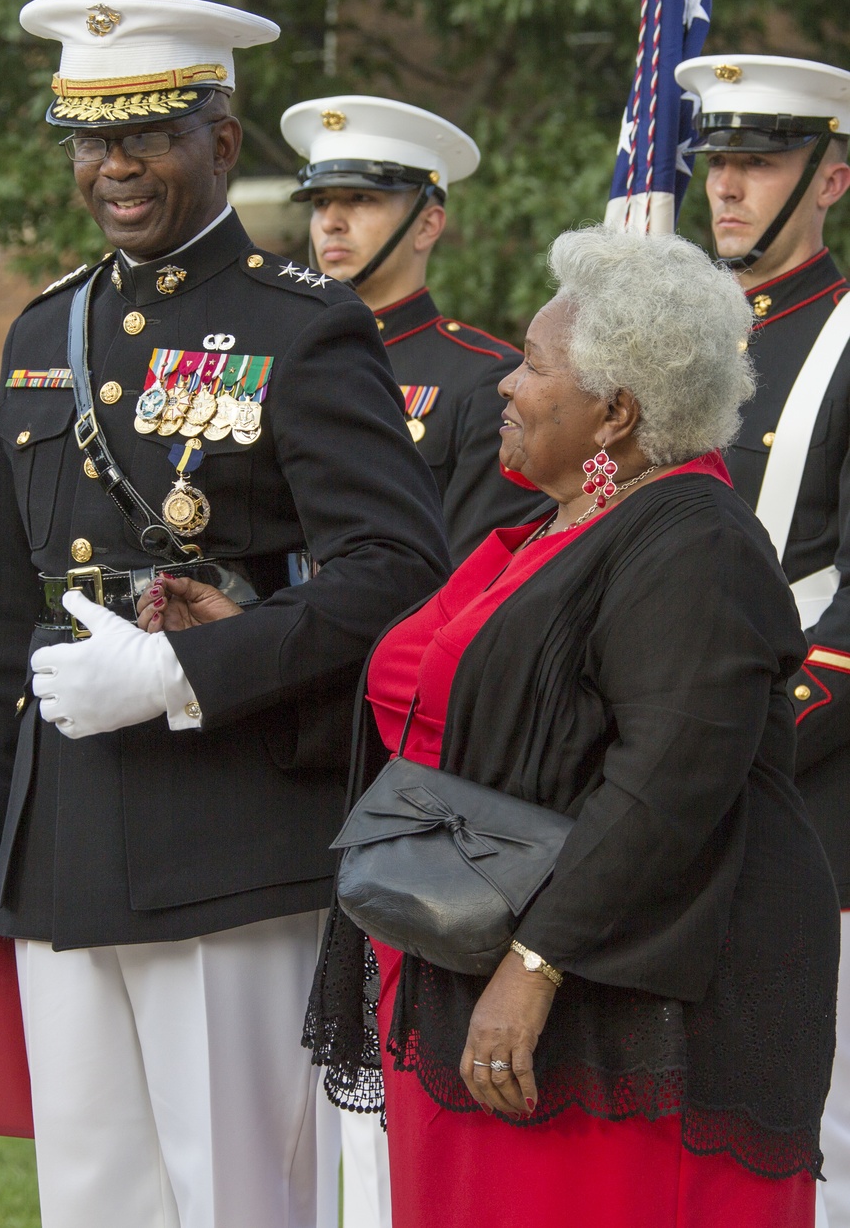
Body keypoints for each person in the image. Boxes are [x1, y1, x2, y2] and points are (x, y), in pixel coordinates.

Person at [0, 0, 449, 1228]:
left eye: (148, 133)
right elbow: (3, 611)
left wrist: (182, 675)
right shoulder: (40, 329)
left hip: (230, 834)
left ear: (221, 137)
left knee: (237, 1201)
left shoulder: (303, 324)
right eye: (91, 138)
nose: (114, 166)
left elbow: (398, 573)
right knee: (93, 1197)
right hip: (60, 843)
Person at [300, 224, 839, 1228]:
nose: (503, 385)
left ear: (615, 414)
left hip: (609, 1010)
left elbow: (666, 781)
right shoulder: (545, 529)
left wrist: (534, 965)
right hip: (454, 956)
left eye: (532, 365)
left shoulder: (694, 542)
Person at [674, 54, 850, 1228]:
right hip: (663, 775)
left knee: (822, 1129)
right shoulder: (674, 338)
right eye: (717, 163)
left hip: (810, 787)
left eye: (760, 163)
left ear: (831, 178)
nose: (727, 189)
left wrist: (738, 739)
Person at [281, 96, 543, 565]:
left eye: (360, 199)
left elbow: (474, 569)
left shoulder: (487, 379)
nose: (331, 223)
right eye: (321, 202)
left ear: (427, 226)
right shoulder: (280, 356)